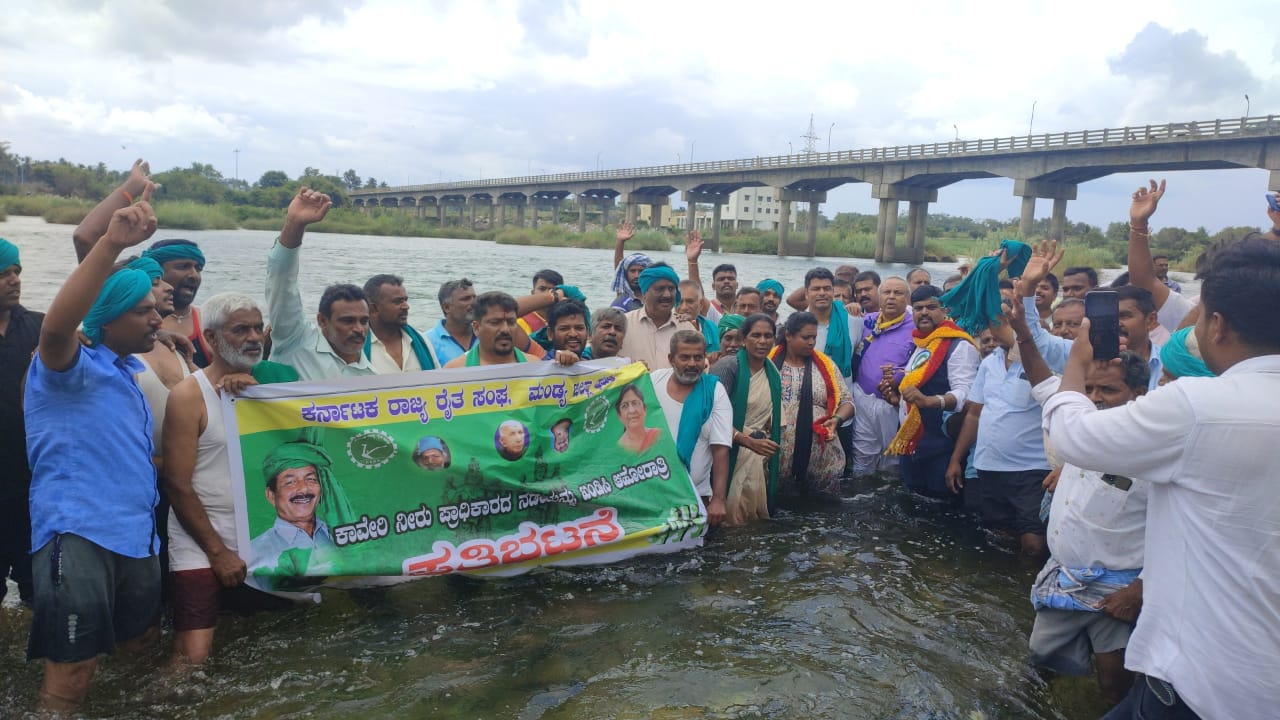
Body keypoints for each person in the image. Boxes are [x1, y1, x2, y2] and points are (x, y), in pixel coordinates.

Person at [1047, 236, 1280, 719]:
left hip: (1205, 680)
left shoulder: (1199, 405)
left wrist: (1076, 362)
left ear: (1216, 325)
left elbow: (1072, 436)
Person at [25, 195, 162, 714]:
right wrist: (110, 244)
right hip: (78, 532)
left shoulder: (127, 372)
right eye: (144, 311)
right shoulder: (67, 368)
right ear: (107, 318)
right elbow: (58, 327)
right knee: (72, 672)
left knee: (137, 651)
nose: (157, 318)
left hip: (135, 535)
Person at [1005, 295, 1149, 708]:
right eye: (1088, 389)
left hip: (1118, 591)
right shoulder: (1079, 424)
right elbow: (1044, 383)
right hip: (1064, 579)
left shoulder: (1153, 449)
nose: (1096, 398)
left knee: (1114, 683)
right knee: (1040, 664)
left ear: (1139, 392)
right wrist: (1024, 334)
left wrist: (1141, 589)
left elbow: (1176, 528)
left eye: (1109, 389)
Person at [161, 292, 294, 667]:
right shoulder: (189, 395)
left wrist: (254, 392)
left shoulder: (270, 390)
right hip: (199, 538)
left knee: (271, 642)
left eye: (257, 328)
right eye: (240, 330)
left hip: (259, 535)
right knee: (194, 653)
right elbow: (177, 483)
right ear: (212, 339)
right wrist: (217, 552)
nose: (254, 337)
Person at [947, 298, 1052, 559]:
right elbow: (974, 414)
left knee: (1034, 542)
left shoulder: (1045, 362)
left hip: (1032, 469)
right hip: (989, 466)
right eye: (995, 324)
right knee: (998, 536)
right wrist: (956, 459)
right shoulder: (988, 362)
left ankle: (1026, 593)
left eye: (1005, 323)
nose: (998, 329)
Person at [265, 188, 375, 381]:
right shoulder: (295, 340)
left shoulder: (374, 379)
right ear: (322, 320)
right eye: (348, 321)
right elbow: (282, 282)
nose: (359, 329)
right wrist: (295, 225)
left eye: (364, 321)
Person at [880, 285, 979, 498]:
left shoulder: (959, 346)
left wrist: (929, 401)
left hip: (942, 447)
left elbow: (966, 396)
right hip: (914, 444)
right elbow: (916, 392)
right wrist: (896, 399)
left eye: (931, 307)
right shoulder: (922, 344)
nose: (924, 312)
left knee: (941, 509)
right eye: (918, 308)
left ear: (945, 311)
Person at [651, 330, 732, 526]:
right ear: (671, 358)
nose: (692, 364)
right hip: (652, 496)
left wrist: (719, 500)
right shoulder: (654, 381)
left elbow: (720, 447)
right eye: (685, 357)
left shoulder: (714, 391)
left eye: (698, 357)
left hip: (695, 498)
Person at [769, 312, 854, 497]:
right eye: (805, 337)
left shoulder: (825, 365)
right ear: (788, 335)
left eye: (814, 337)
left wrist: (837, 420)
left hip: (820, 457)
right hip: (775, 457)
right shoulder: (769, 363)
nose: (811, 342)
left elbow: (847, 402)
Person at [0, 238, 42, 606]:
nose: (14, 280)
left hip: (33, 486)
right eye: (3, 274)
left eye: (16, 272)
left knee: (39, 585)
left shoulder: (43, 330)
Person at [710, 313, 781, 526]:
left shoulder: (772, 372)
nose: (762, 341)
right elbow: (711, 417)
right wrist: (746, 440)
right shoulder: (728, 367)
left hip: (759, 454)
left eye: (768, 336)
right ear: (743, 339)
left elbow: (770, 417)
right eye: (756, 335)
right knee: (731, 520)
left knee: (753, 520)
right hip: (729, 450)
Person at [249, 430, 353, 576]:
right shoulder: (253, 552)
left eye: (311, 479)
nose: (303, 488)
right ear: (271, 495)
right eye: (290, 482)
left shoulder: (344, 534)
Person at [849, 276, 914, 477]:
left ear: (907, 299)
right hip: (863, 399)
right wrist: (849, 307)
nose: (891, 297)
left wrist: (899, 378)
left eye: (898, 293)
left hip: (894, 403)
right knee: (862, 457)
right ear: (880, 296)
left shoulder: (917, 327)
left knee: (893, 460)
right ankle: (859, 496)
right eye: (887, 293)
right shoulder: (867, 321)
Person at [619, 263, 697, 370]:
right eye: (659, 289)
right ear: (644, 292)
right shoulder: (622, 325)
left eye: (671, 289)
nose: (667, 295)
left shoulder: (686, 329)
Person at [362, 274, 439, 373]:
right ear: (374, 309)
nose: (406, 306)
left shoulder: (420, 341)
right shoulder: (357, 348)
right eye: (397, 302)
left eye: (405, 300)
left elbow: (437, 382)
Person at [444, 292, 530, 368]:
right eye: (495, 322)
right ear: (476, 328)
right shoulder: (455, 371)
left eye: (511, 322)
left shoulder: (535, 367)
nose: (505, 329)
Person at [426, 278, 477, 364]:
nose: (474, 303)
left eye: (474, 298)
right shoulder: (427, 342)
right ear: (446, 307)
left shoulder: (485, 336)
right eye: (466, 299)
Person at [610, 222, 652, 312]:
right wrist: (620, 242)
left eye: (641, 271)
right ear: (626, 274)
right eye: (633, 271)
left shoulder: (655, 298)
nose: (637, 275)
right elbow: (619, 266)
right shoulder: (624, 297)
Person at [517, 269, 565, 337]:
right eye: (542, 289)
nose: (547, 294)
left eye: (553, 290)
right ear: (533, 293)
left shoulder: (567, 321)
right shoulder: (520, 322)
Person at [615, 384, 661, 453]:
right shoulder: (618, 448)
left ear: (644, 408)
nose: (632, 410)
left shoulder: (658, 435)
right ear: (619, 415)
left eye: (635, 403)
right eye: (624, 406)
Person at [677, 279, 720, 352]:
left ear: (701, 304)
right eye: (679, 302)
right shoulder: (667, 327)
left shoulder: (712, 328)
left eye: (690, 302)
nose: (684, 307)